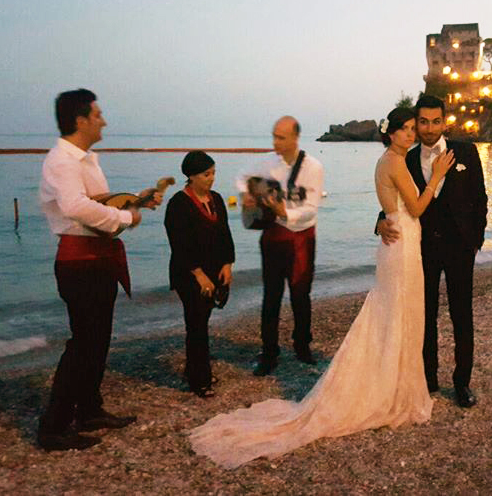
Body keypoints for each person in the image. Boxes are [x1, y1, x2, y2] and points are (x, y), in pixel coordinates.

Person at [189, 107, 455, 468]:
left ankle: (393, 381)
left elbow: (394, 209)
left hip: (398, 239)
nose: (411, 134)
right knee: (399, 310)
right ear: (391, 133)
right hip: (403, 242)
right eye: (405, 129)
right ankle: (390, 389)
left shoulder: (389, 160)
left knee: (395, 311)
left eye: (413, 128)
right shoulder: (394, 162)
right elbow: (418, 207)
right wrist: (437, 175)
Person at [37, 89, 162, 451]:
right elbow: (76, 207)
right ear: (80, 120)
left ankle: (89, 409)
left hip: (99, 260)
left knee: (97, 341)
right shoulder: (63, 160)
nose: (103, 120)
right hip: (79, 263)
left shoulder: (87, 159)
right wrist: (126, 216)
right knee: (82, 344)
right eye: (98, 114)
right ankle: (53, 426)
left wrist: (134, 202)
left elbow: (98, 203)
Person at [378, 95, 488, 408]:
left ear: (444, 121)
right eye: (422, 122)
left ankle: (462, 383)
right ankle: (428, 378)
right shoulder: (407, 160)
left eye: (435, 121)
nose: (428, 128)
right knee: (424, 315)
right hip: (421, 250)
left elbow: (480, 198)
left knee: (461, 315)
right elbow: (393, 203)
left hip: (460, 249)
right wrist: (379, 225)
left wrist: (475, 239)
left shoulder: (465, 151)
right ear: (417, 123)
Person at [237, 116, 324, 376]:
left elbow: (311, 209)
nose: (275, 141)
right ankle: (269, 352)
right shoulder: (267, 163)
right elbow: (242, 177)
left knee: (301, 295)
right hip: (273, 236)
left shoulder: (313, 167)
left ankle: (302, 346)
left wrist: (285, 212)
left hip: (300, 238)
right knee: (271, 296)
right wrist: (248, 195)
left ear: (295, 138)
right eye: (274, 136)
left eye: (281, 137)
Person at [164, 151, 235, 398]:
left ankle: (196, 369)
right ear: (192, 176)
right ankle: (199, 379)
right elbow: (179, 243)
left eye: (213, 173)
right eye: (206, 174)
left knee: (203, 320)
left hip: (214, 269)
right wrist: (199, 274)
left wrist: (227, 264)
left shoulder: (216, 199)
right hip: (189, 273)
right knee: (196, 324)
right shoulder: (178, 204)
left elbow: (225, 233)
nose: (211, 179)